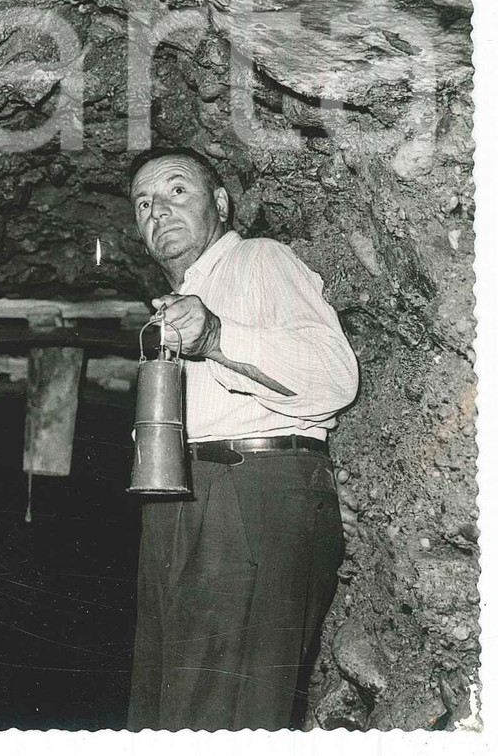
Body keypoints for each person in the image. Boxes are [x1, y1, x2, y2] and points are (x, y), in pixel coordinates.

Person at [125, 148, 359, 732]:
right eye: (144, 203)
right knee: (164, 706)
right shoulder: (171, 307)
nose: (159, 211)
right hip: (182, 501)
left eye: (178, 192)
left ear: (221, 204)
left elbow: (335, 378)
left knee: (227, 715)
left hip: (251, 492)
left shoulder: (261, 261)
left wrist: (218, 335)